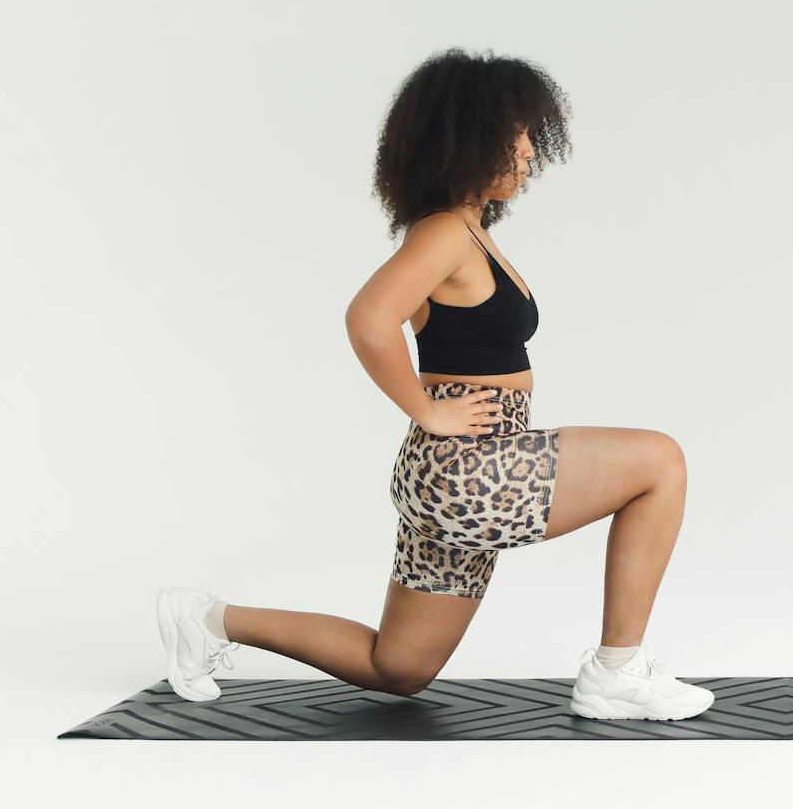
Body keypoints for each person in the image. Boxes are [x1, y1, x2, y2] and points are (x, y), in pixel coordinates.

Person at [153, 48, 713, 720]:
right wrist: (427, 409)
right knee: (660, 462)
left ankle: (207, 617)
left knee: (399, 666)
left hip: (445, 473)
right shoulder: (447, 233)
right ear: (473, 137)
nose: (533, 150)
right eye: (520, 133)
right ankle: (617, 670)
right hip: (473, 468)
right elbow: (368, 318)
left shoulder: (465, 229)